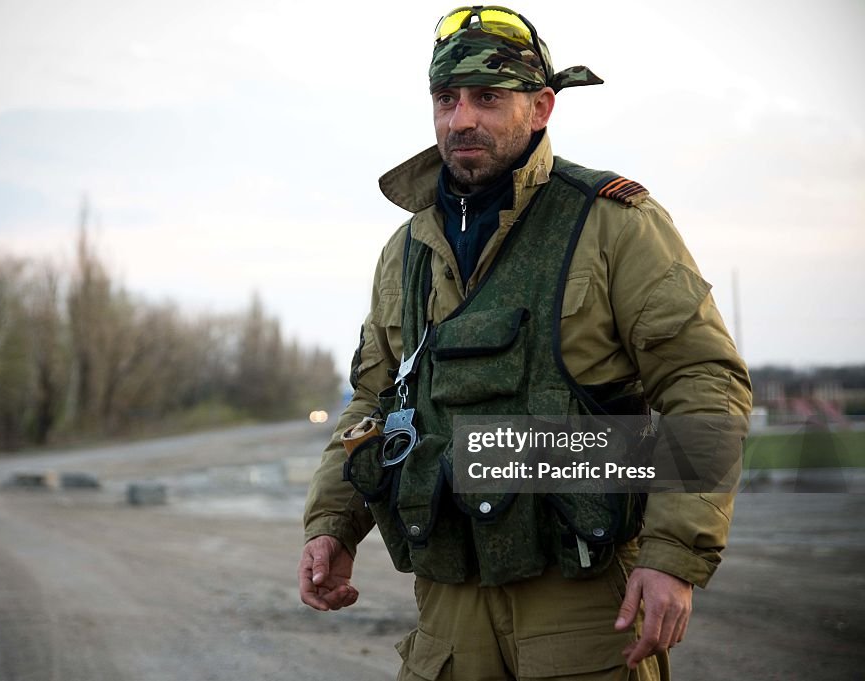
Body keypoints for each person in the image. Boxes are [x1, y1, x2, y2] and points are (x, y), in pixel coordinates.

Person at [298, 6, 752, 680]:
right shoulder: (407, 251)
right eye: (446, 99)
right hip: (449, 603)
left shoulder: (613, 223)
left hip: (583, 598)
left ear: (541, 107)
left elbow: (705, 383)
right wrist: (332, 521)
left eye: (488, 98)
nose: (461, 119)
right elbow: (371, 400)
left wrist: (672, 554)